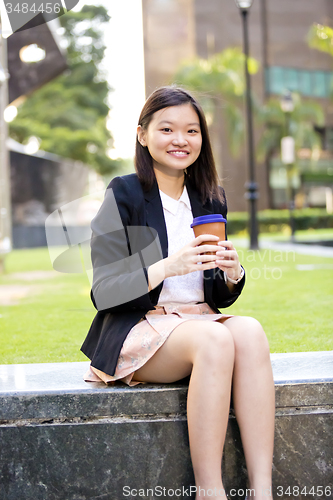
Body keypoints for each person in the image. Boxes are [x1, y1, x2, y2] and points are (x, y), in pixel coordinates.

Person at [81, 86, 275, 500]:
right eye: (167, 129)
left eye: (191, 130)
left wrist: (232, 271)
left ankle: (263, 490)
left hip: (198, 319)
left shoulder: (210, 197)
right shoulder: (124, 194)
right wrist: (166, 267)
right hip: (142, 326)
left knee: (252, 332)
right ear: (142, 135)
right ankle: (210, 492)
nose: (180, 140)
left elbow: (217, 296)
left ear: (202, 139)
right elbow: (104, 291)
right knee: (215, 336)